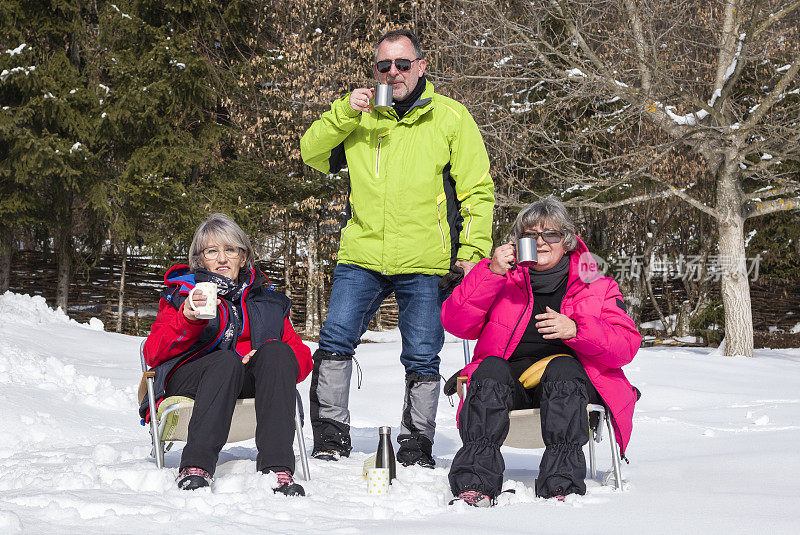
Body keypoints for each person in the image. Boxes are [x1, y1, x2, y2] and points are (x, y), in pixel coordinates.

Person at [300, 29, 495, 467]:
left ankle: (416, 442)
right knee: (334, 339)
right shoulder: (359, 116)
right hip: (363, 254)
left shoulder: (450, 117)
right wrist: (342, 113)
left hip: (425, 258)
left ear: (421, 67)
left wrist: (472, 254)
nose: (393, 73)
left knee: (423, 354)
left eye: (402, 65)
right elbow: (311, 152)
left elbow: (478, 192)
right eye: (384, 65)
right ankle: (330, 435)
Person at [441, 197, 640, 507]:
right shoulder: (501, 279)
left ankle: (561, 484)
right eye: (530, 234)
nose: (541, 242)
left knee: (562, 367)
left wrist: (576, 330)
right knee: (490, 368)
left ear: (567, 241)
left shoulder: (597, 286)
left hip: (571, 388)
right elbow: (455, 323)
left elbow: (626, 345)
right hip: (511, 387)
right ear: (518, 242)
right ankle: (475, 483)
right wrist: (489, 273)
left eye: (551, 234)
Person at [139, 213, 312, 494]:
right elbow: (153, 352)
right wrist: (186, 319)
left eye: (230, 250)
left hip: (247, 381)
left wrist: (264, 355)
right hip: (192, 380)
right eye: (212, 251)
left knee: (278, 351)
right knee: (225, 360)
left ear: (243, 258)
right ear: (200, 259)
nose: (222, 259)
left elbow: (301, 361)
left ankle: (276, 470)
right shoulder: (184, 295)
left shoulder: (269, 302)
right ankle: (196, 466)